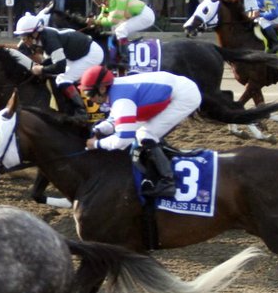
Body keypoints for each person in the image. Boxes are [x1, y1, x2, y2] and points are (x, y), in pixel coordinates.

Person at [78, 66, 203, 199]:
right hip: (171, 91)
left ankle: (167, 182)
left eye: (90, 94)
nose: (89, 99)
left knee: (145, 135)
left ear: (102, 88)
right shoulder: (115, 90)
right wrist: (99, 129)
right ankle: (161, 157)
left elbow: (123, 140)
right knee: (143, 132)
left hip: (183, 96)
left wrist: (97, 144)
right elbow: (114, 120)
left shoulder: (121, 100)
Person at [12, 10, 101, 116]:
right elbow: (54, 60)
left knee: (63, 79)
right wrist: (43, 66)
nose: (23, 40)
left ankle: (81, 112)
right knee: (57, 75)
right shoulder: (42, 36)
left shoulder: (50, 40)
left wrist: (41, 69)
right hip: (77, 54)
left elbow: (60, 67)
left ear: (35, 33)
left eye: (25, 36)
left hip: (90, 54)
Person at [87, 0, 156, 63]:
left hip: (145, 16)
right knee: (117, 31)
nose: (94, 1)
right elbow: (104, 14)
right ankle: (119, 54)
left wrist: (95, 22)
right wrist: (96, 21)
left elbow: (112, 21)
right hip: (139, 14)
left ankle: (125, 60)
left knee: (120, 30)